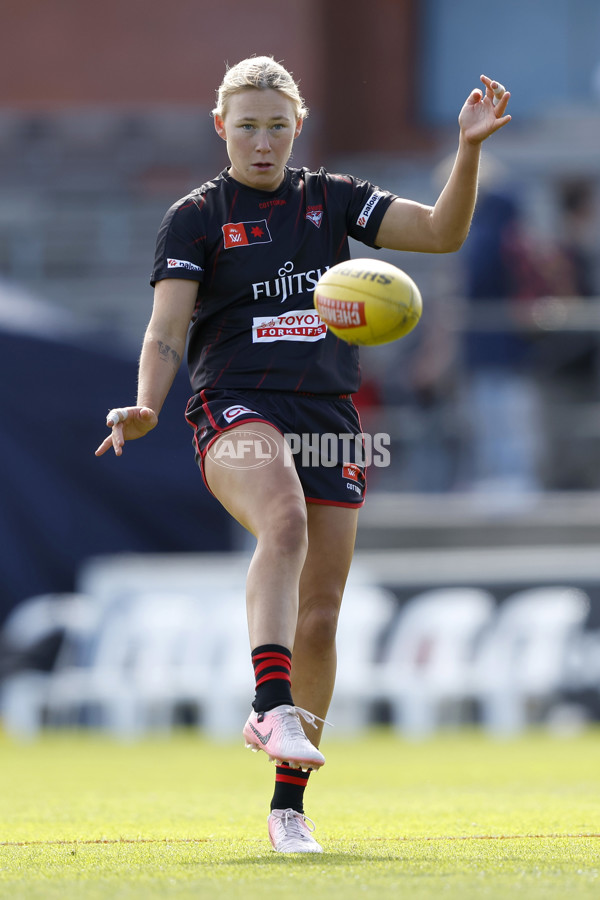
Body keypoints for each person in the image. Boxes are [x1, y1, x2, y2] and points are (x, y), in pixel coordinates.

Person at [95, 56, 511, 853]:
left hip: (326, 414)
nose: (261, 141)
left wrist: (468, 151)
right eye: (246, 126)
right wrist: (147, 401)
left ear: (298, 127)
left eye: (276, 126)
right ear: (222, 127)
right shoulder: (196, 217)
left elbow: (443, 233)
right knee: (281, 520)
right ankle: (269, 704)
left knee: (320, 618)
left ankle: (289, 807)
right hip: (235, 407)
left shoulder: (332, 199)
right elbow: (164, 331)